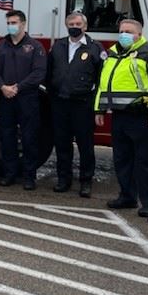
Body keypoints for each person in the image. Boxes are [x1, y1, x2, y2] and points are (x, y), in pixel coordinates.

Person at [95, 18, 148, 216]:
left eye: (128, 31)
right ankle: (127, 196)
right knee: (122, 159)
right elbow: (103, 84)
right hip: (119, 116)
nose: (124, 35)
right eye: (121, 31)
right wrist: (99, 110)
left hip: (143, 116)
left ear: (139, 34)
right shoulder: (112, 54)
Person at [46, 12, 103, 197]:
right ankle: (64, 179)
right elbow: (49, 72)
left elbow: (101, 78)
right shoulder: (58, 46)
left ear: (85, 27)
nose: (74, 26)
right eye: (71, 23)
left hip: (83, 104)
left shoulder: (95, 48)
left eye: (78, 23)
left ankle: (86, 182)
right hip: (60, 102)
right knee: (62, 143)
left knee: (85, 145)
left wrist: (96, 105)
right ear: (66, 25)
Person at [0, 10, 47, 190]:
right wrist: (2, 87)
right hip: (5, 98)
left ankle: (29, 176)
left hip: (27, 99)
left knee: (29, 138)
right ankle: (9, 174)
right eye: (9, 22)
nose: (11, 26)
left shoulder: (35, 47)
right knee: (6, 137)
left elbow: (39, 73)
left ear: (23, 24)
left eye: (14, 22)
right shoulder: (1, 46)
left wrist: (18, 87)